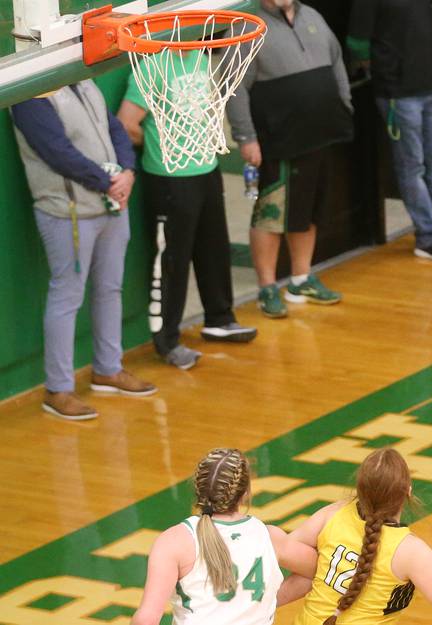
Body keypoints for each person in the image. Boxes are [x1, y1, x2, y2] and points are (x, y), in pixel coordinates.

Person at [11, 80, 156, 421]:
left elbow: (115, 128)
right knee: (67, 296)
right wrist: (108, 182)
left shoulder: (84, 81)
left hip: (111, 206)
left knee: (110, 288)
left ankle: (108, 369)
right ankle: (58, 390)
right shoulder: (31, 94)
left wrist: (127, 171)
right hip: (67, 211)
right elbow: (56, 151)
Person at [118, 53, 257, 371]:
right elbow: (126, 124)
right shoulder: (152, 68)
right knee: (171, 263)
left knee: (214, 249)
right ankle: (167, 341)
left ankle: (220, 319)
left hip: (206, 170)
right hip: (168, 178)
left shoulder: (200, 59)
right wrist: (158, 141)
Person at [227, 0, 349, 319]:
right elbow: (235, 87)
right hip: (278, 141)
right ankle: (267, 287)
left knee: (307, 210)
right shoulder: (247, 26)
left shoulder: (312, 16)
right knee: (271, 214)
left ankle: (300, 279)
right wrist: (246, 137)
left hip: (320, 135)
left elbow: (336, 63)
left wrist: (344, 105)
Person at [131, 448, 319, 625]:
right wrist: (259, 603)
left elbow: (146, 620)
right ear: (245, 493)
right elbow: (321, 572)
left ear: (198, 487)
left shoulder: (175, 541)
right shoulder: (270, 537)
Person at [286, 448, 432, 625]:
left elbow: (280, 550)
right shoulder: (410, 551)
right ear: (407, 490)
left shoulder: (334, 513)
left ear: (360, 490)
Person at [348, 0, 432, 262]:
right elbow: (357, 42)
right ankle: (428, 236)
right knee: (412, 166)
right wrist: (386, 69)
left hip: (429, 86)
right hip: (399, 94)